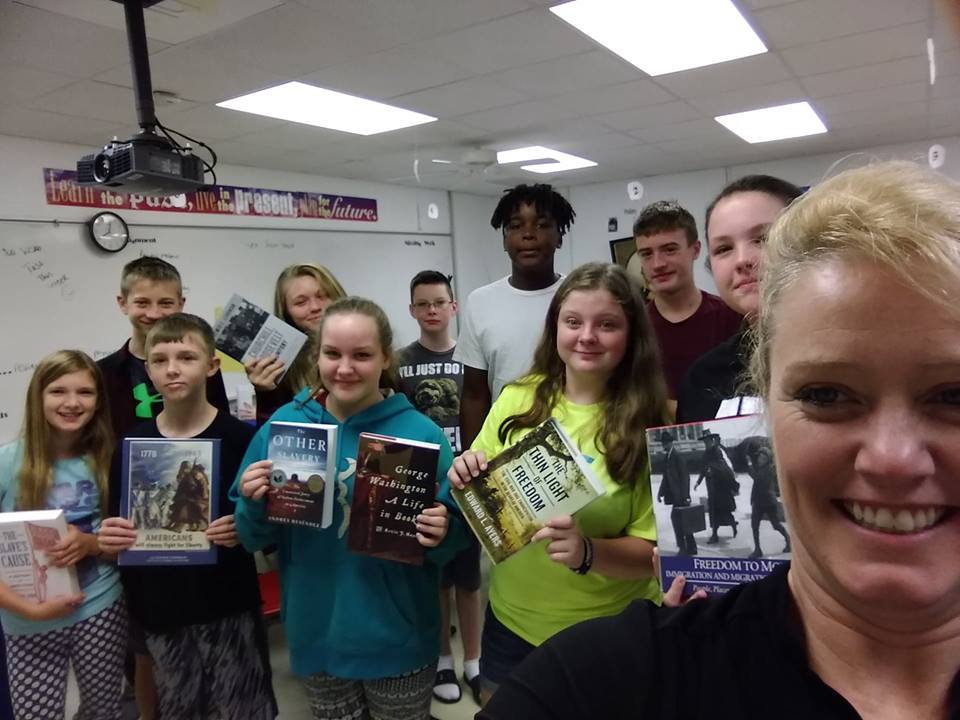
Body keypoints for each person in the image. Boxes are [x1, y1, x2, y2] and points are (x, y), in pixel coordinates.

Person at [478, 161, 960, 719]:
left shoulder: (646, 409)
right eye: (825, 395)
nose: (892, 458)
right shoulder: (701, 378)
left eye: (952, 396)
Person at [232, 296, 468, 720]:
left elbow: (454, 542)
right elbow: (251, 536)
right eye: (332, 353)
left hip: (398, 640)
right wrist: (252, 503)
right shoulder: (287, 427)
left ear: (384, 358)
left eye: (361, 355)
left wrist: (443, 531)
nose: (344, 368)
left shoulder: (420, 434)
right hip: (315, 634)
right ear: (316, 355)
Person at [449, 262, 669, 705]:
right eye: (573, 322)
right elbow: (479, 493)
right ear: (555, 329)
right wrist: (465, 473)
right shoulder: (518, 397)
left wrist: (590, 551)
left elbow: (655, 554)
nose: (586, 336)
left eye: (606, 324)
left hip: (606, 632)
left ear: (631, 336)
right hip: (511, 622)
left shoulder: (653, 424)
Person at [98, 313, 276, 720]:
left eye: (186, 357)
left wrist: (243, 528)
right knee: (181, 709)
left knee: (244, 708)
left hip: (228, 606)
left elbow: (266, 529)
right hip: (161, 612)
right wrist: (110, 537)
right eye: (160, 360)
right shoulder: (129, 445)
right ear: (148, 370)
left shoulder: (241, 439)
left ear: (211, 366)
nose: (172, 369)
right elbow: (116, 529)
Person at [0, 350, 127, 719]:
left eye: (85, 393)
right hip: (26, 618)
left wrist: (90, 544)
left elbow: (128, 544)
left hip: (100, 607)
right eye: (58, 391)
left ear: (98, 401)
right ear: (38, 396)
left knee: (103, 711)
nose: (72, 403)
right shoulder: (9, 462)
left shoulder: (108, 460)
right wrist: (25, 610)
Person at [395, 270, 482, 705]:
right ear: (412, 310)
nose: (431, 310)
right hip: (419, 484)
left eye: (439, 302)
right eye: (422, 304)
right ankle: (443, 658)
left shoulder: (472, 358)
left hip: (467, 484)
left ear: (454, 306)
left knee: (468, 577)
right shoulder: (397, 362)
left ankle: (475, 661)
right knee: (435, 579)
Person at [455, 183, 575, 451]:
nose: (528, 235)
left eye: (542, 225)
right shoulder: (480, 301)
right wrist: (471, 459)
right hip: (503, 445)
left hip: (573, 444)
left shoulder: (578, 296)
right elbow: (475, 396)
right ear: (504, 239)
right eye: (516, 226)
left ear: (560, 236)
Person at [676, 176, 804, 423]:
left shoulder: (857, 356)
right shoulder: (703, 378)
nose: (742, 260)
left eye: (763, 238)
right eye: (723, 249)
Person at [99, 255, 230, 440]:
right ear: (123, 303)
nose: (153, 313)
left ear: (181, 304)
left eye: (165, 303)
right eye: (142, 303)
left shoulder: (201, 367)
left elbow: (219, 427)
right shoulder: (103, 373)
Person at [633, 200, 741, 407]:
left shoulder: (732, 318)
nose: (658, 264)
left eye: (669, 250)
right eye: (647, 254)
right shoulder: (634, 327)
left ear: (696, 250)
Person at [244, 263, 347, 425]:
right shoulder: (280, 366)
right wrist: (265, 392)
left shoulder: (367, 349)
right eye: (301, 302)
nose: (315, 307)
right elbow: (275, 439)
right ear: (287, 313)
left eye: (323, 296)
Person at [745, 441, 789, 558]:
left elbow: (757, 478)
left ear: (767, 458)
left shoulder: (769, 469)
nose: (759, 458)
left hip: (767, 502)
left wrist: (749, 464)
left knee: (775, 525)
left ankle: (788, 539)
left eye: (762, 456)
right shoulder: (761, 467)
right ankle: (758, 549)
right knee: (755, 526)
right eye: (759, 456)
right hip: (759, 502)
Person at [693, 431, 739, 544]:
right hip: (711, 487)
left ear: (712, 441)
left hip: (721, 487)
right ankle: (714, 535)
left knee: (724, 511)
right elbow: (703, 470)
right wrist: (698, 482)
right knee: (713, 512)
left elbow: (722, 466)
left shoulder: (717, 451)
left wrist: (712, 469)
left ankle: (733, 525)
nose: (706, 443)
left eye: (708, 441)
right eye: (705, 441)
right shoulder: (705, 454)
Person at [656, 430, 696, 556]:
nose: (664, 446)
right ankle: (691, 548)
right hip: (675, 496)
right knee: (683, 521)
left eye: (665, 443)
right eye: (663, 443)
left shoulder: (677, 457)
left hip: (680, 496)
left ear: (671, 443)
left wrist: (685, 496)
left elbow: (685, 477)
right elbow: (666, 477)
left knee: (679, 520)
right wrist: (660, 493)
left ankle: (683, 548)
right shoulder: (667, 457)